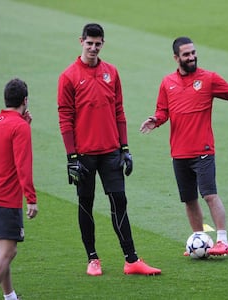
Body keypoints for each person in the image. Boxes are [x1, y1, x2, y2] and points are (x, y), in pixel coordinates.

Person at [140, 36, 228, 256]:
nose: (191, 57)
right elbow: (163, 110)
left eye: (193, 53)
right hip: (179, 152)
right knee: (189, 200)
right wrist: (156, 119)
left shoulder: (208, 79)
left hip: (203, 150)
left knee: (209, 195)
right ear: (176, 58)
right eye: (186, 55)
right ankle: (198, 239)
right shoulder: (167, 83)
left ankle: (222, 241)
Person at [57, 23, 161, 276]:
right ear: (81, 41)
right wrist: (71, 157)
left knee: (119, 201)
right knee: (86, 203)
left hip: (111, 152)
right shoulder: (68, 76)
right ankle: (92, 259)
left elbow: (119, 111)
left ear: (103, 43)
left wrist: (125, 148)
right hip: (84, 155)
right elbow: (65, 118)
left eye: (98, 43)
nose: (93, 47)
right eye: (89, 43)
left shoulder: (111, 73)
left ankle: (132, 260)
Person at [0, 78, 38, 300]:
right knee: (8, 251)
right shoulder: (19, 127)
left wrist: (23, 126)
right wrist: (31, 198)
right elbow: (23, 165)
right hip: (6, 197)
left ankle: (10, 296)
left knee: (2, 249)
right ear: (25, 100)